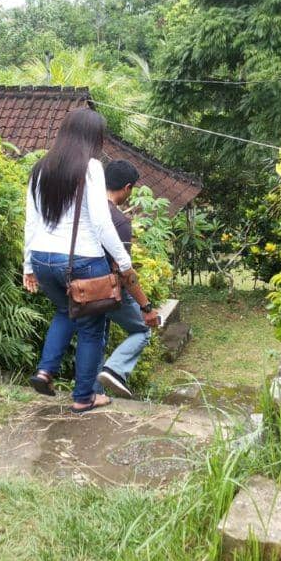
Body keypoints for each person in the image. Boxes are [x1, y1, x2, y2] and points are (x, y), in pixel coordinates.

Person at [22, 108, 159, 413]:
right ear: (92, 137)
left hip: (43, 259)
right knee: (91, 327)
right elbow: (100, 224)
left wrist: (28, 266)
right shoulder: (91, 167)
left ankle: (45, 371)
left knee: (63, 310)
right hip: (81, 260)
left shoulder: (40, 167)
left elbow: (31, 221)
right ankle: (84, 397)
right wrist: (124, 264)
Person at [93, 160, 157, 399]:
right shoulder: (118, 221)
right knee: (142, 331)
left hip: (82, 288)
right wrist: (145, 306)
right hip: (108, 289)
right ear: (127, 188)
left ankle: (92, 394)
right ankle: (115, 369)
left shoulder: (88, 212)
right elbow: (124, 271)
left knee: (95, 338)